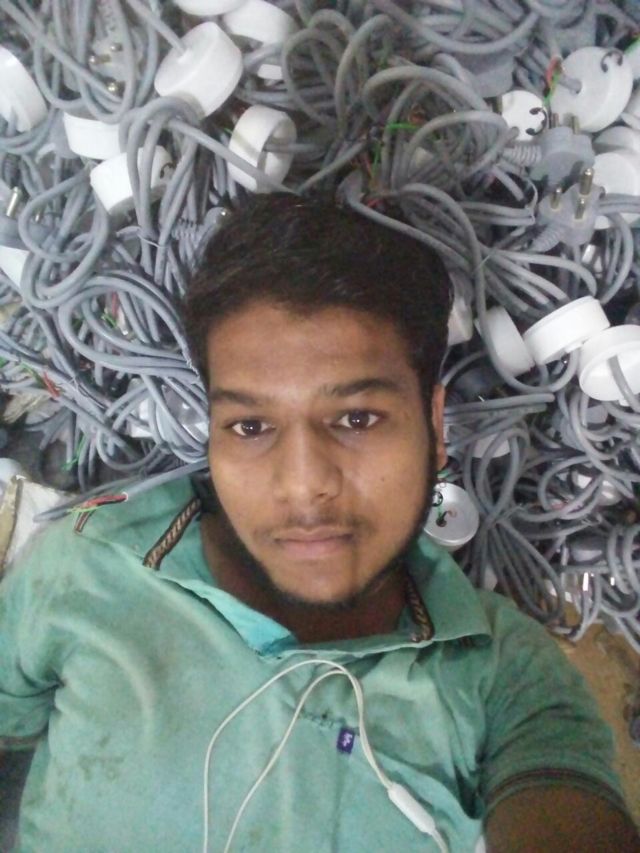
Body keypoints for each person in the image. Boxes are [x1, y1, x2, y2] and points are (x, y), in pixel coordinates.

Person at [0, 194, 638, 853]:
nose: (304, 484)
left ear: (433, 425)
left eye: (357, 418)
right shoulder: (84, 566)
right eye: (251, 426)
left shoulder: (504, 671)